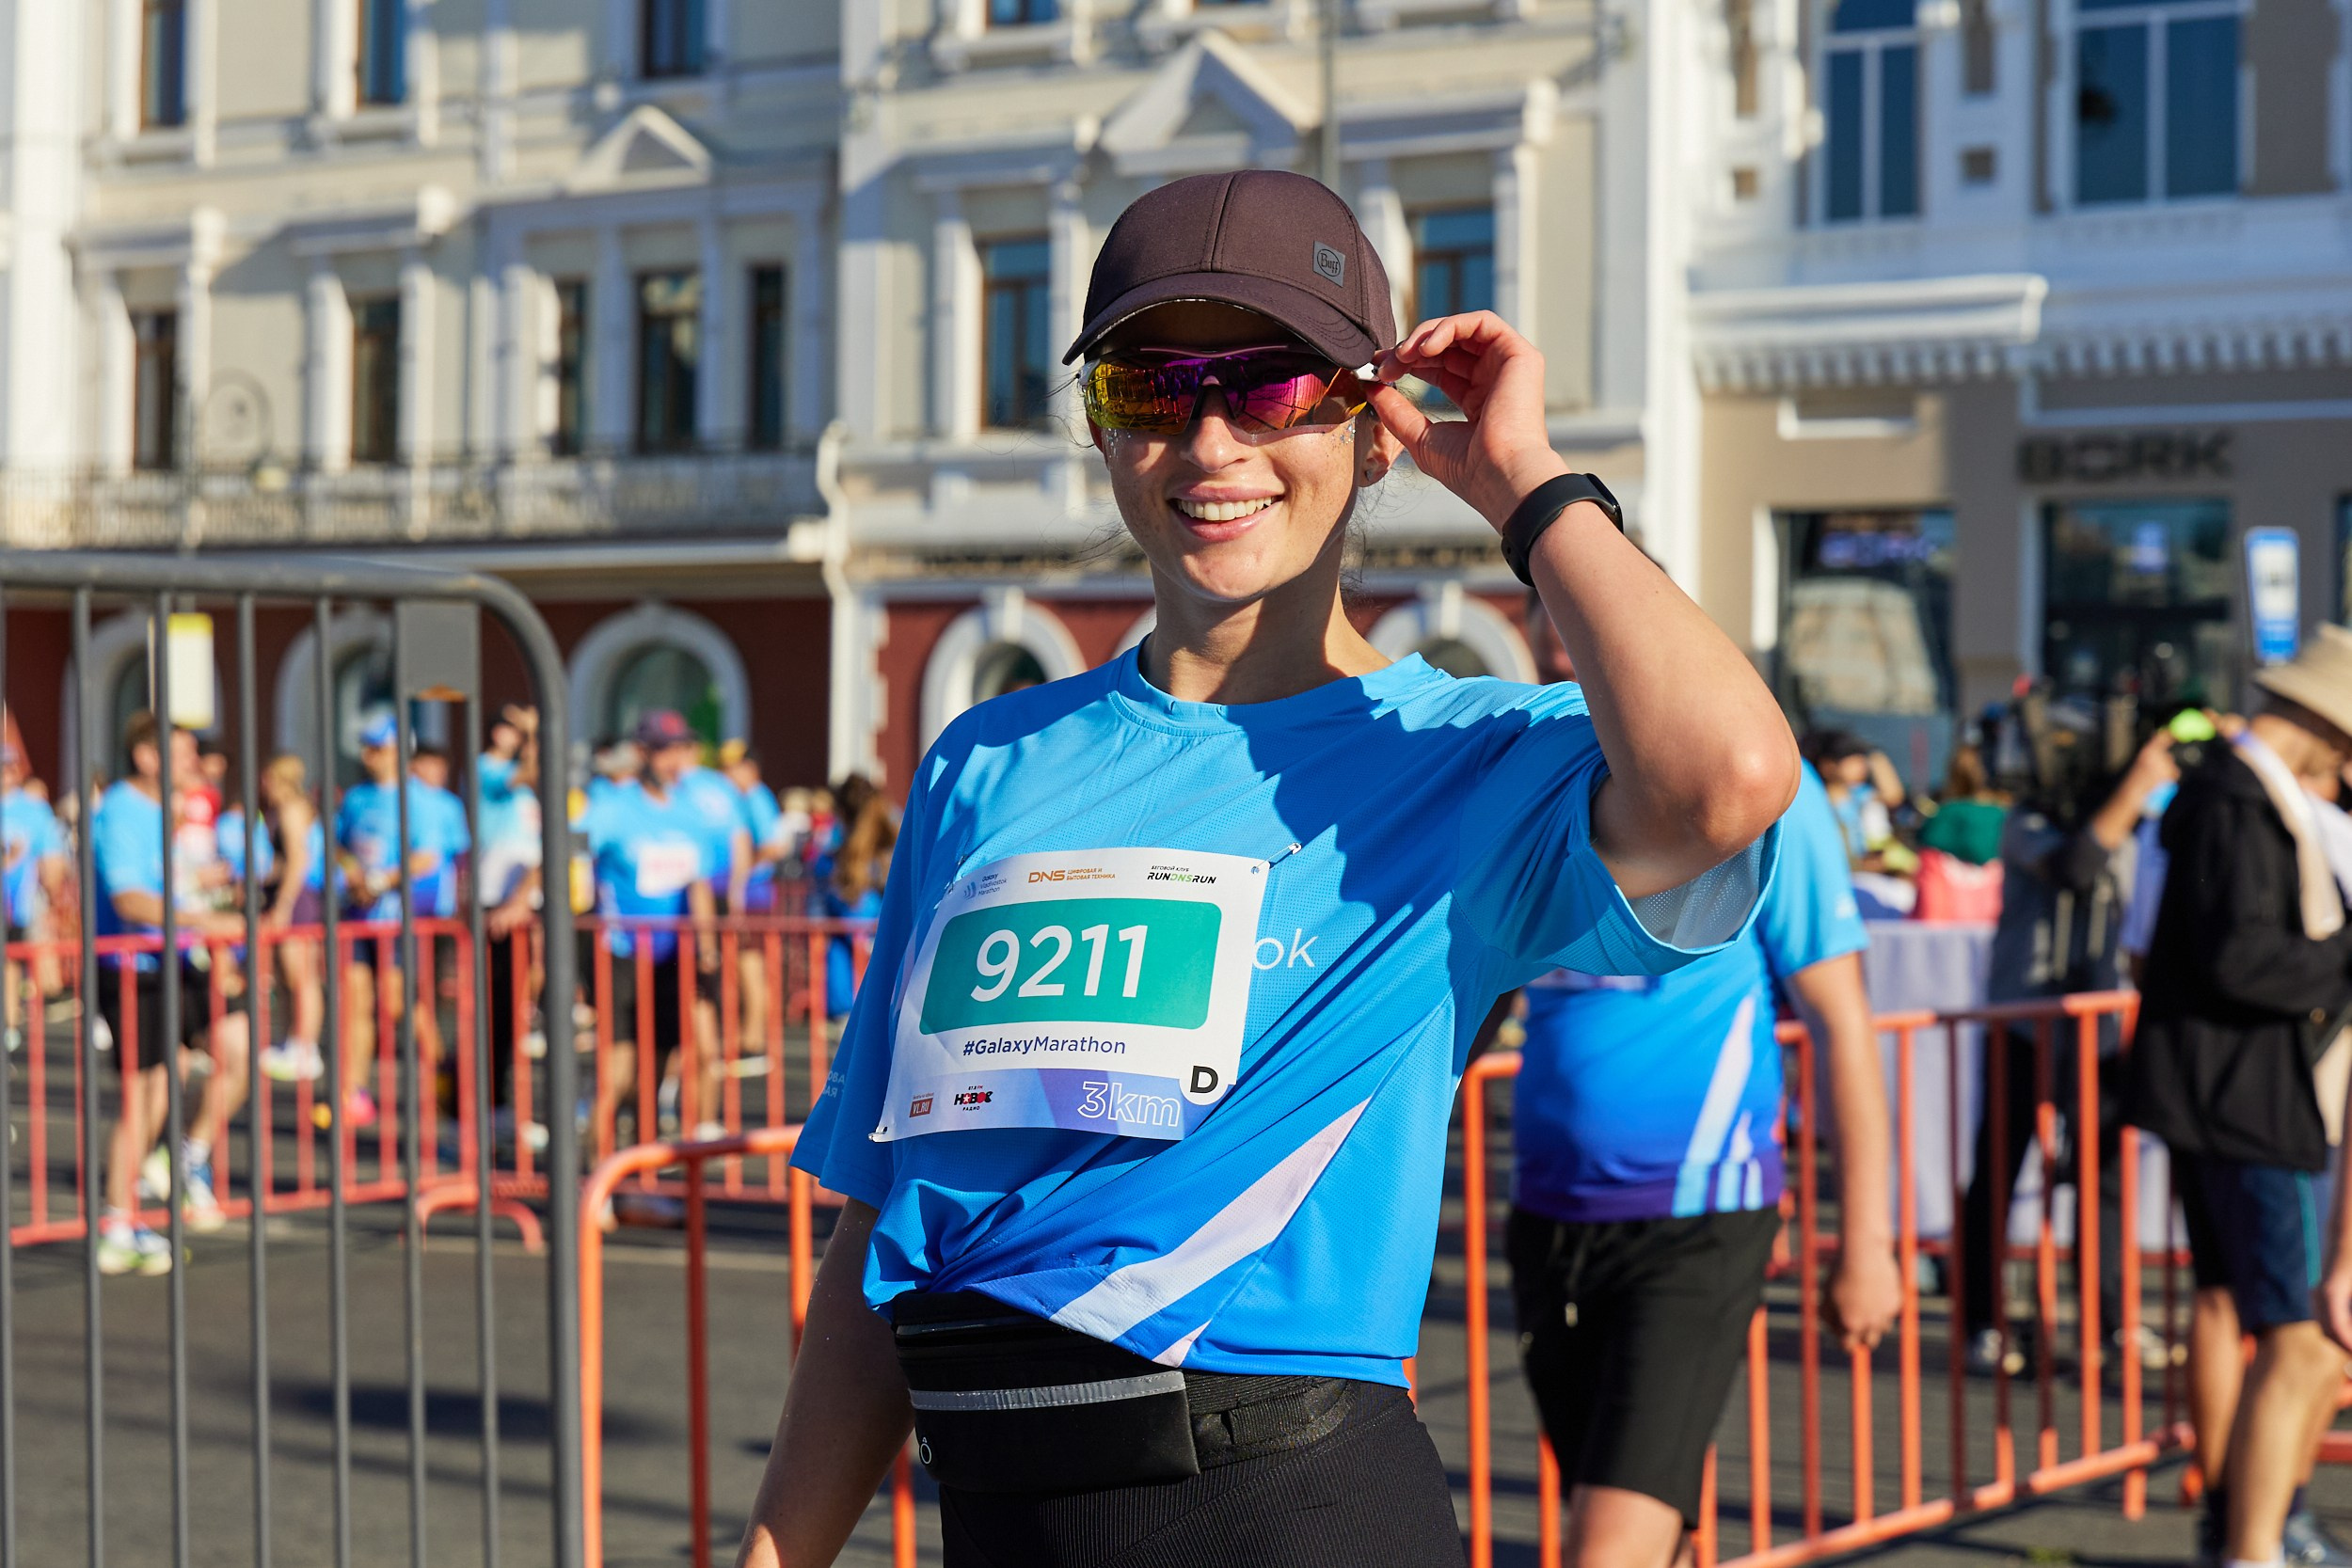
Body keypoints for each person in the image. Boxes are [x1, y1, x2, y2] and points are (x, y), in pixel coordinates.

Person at [734, 169, 1795, 1568]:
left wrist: (1527, 484)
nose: (1211, 438)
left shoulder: (1468, 756)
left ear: (1373, 425)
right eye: (1149, 388)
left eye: (1276, 385)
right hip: (998, 1511)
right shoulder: (987, 761)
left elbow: (1728, 777)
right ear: (1104, 431)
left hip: (1286, 1508)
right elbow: (889, 1214)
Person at [1506, 602, 1900, 1568]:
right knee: (1643, 1520)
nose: (1572, 666)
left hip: (1695, 1216)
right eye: (1550, 643)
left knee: (1607, 1542)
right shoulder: (1533, 785)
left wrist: (1868, 1243)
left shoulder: (1762, 791)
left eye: (1587, 637)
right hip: (1546, 1212)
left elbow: (1843, 1026)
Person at [2134, 627, 2352, 1568]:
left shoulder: (2225, 793)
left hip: (2226, 1092)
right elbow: (2240, 957)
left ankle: (2245, 1526)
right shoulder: (2237, 800)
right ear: (2316, 723)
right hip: (2249, 1100)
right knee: (2298, 1336)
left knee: (2251, 1314)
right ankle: (2254, 1540)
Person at [1958, 698, 2170, 1375]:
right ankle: (1981, 1320)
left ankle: (2108, 1324)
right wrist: (2133, 791)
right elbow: (2076, 866)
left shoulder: (2135, 829)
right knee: (1999, 1166)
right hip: (2022, 1021)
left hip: (2098, 1025)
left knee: (2102, 1174)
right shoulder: (2028, 821)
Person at [91, 711, 253, 1272]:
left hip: (182, 959)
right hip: (136, 967)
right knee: (149, 1093)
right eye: (183, 754)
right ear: (147, 757)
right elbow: (130, 899)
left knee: (237, 1050)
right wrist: (202, 922)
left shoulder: (173, 813)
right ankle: (117, 1219)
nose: (196, 764)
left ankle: (188, 1159)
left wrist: (211, 906)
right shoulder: (122, 810)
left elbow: (173, 885)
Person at [584, 709, 721, 1151]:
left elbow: (697, 885)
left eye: (680, 749)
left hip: (671, 961)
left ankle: (641, 1180)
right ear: (642, 754)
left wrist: (706, 946)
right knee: (618, 1070)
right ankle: (592, 1184)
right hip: (621, 952)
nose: (674, 760)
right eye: (664, 750)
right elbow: (568, 856)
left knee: (656, 1072)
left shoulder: (692, 811)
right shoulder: (612, 806)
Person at [335, 712, 467, 1129]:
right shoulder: (356, 799)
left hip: (404, 917)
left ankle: (442, 1079)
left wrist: (382, 879)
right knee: (356, 1001)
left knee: (400, 1004)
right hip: (360, 915)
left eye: (377, 747)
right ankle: (352, 1093)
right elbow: (339, 845)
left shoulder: (422, 800)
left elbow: (430, 857)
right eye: (367, 748)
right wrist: (355, 875)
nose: (369, 756)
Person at [477, 705, 543, 1122]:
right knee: (496, 1002)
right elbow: (528, 772)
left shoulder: (525, 781)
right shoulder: (487, 768)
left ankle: (512, 1103)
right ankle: (490, 1101)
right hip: (497, 898)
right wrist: (536, 735)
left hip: (529, 897)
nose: (512, 735)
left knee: (525, 990)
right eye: (507, 727)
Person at [255, 752, 328, 1084]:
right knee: (288, 975)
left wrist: (283, 905)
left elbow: (299, 858)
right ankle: (292, 1039)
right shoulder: (284, 809)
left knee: (301, 974)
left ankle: (305, 1046)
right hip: (289, 894)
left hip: (298, 900)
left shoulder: (291, 809)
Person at [4, 742, 72, 1053]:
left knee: (13, 961)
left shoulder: (33, 809)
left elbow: (52, 855)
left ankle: (10, 1026)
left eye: (9, 767)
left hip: (20, 904)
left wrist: (51, 888)